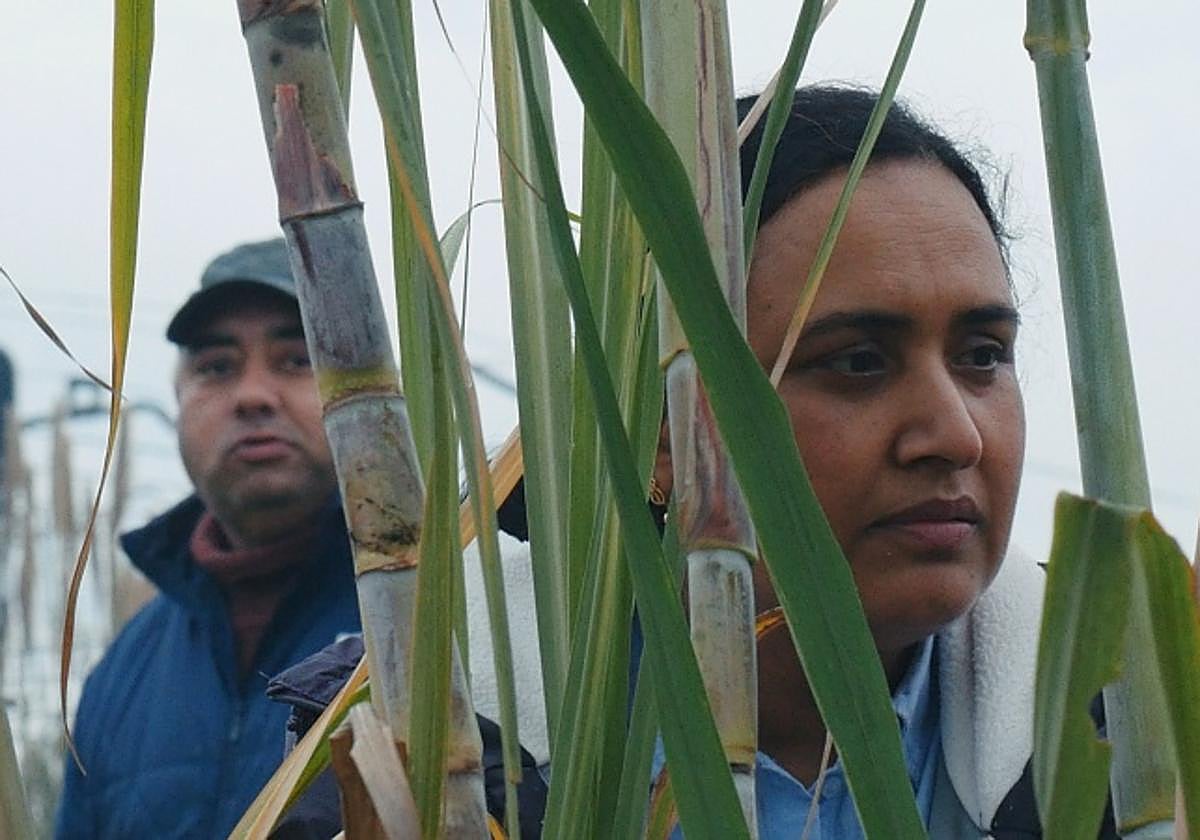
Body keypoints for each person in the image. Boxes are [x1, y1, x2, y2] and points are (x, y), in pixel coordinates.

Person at [646, 85, 1116, 838]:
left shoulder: (1140, 735)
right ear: (667, 429)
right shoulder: (447, 736)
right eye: (859, 362)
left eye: (982, 355)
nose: (956, 436)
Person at [54, 239, 363, 839]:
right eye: (217, 367)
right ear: (178, 401)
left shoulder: (446, 616)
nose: (252, 395)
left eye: (297, 360)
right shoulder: (121, 674)